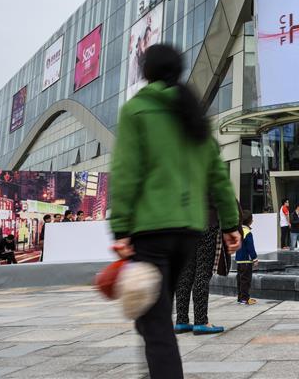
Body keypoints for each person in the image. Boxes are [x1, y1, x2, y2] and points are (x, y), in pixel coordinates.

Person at [110, 44, 241, 379]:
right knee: (154, 312)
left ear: (146, 71)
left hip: (151, 231)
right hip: (190, 232)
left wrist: (121, 228)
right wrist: (231, 224)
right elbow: (218, 176)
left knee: (154, 322)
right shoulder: (192, 115)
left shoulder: (136, 110)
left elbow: (125, 173)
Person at [174, 206, 224, 335]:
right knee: (202, 272)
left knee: (185, 274)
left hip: (185, 227)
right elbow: (223, 198)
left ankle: (181, 321)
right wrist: (232, 227)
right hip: (206, 223)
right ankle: (201, 322)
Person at [235, 210, 259, 305]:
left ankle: (240, 298)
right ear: (250, 221)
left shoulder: (238, 231)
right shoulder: (247, 232)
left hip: (239, 260)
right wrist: (255, 258)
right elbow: (250, 247)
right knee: (246, 280)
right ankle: (245, 299)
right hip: (246, 260)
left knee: (240, 280)